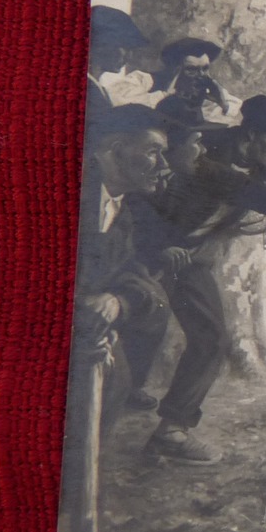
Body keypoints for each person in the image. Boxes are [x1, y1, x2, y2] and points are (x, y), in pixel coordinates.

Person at [131, 96, 266, 463]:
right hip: (145, 249)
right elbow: (239, 188)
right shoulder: (208, 152)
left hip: (186, 258)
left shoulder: (263, 157)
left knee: (211, 338)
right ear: (253, 134)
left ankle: (171, 431)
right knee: (130, 333)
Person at [74, 105, 173, 422]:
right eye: (153, 152)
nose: (164, 165)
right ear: (116, 151)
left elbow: (138, 278)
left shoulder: (124, 211)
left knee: (115, 387)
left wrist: (117, 301)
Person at [151, 37, 242, 126]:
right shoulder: (151, 83)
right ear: (177, 70)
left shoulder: (211, 93)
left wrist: (223, 103)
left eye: (205, 68)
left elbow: (236, 111)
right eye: (192, 69)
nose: (201, 74)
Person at [87, 5, 154, 120]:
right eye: (126, 48)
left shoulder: (97, 88)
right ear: (103, 45)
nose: (129, 56)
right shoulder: (89, 91)